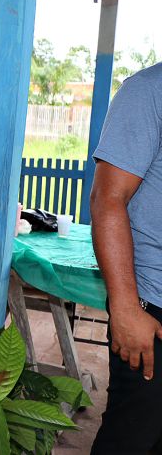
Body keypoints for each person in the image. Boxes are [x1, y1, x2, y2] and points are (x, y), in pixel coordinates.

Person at [90, 63, 162, 454]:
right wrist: (125, 308)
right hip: (153, 311)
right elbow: (107, 200)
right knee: (133, 439)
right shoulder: (149, 91)